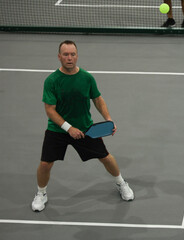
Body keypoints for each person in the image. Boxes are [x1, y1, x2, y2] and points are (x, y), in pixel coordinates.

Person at [31, 40, 134, 212]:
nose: (69, 58)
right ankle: (41, 193)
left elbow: (98, 99)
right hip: (58, 130)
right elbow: (50, 110)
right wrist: (68, 128)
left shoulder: (87, 78)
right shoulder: (52, 81)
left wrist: (108, 119)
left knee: (106, 157)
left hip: (85, 129)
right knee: (45, 164)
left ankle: (121, 183)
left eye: (72, 54)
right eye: (65, 54)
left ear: (77, 56)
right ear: (59, 57)